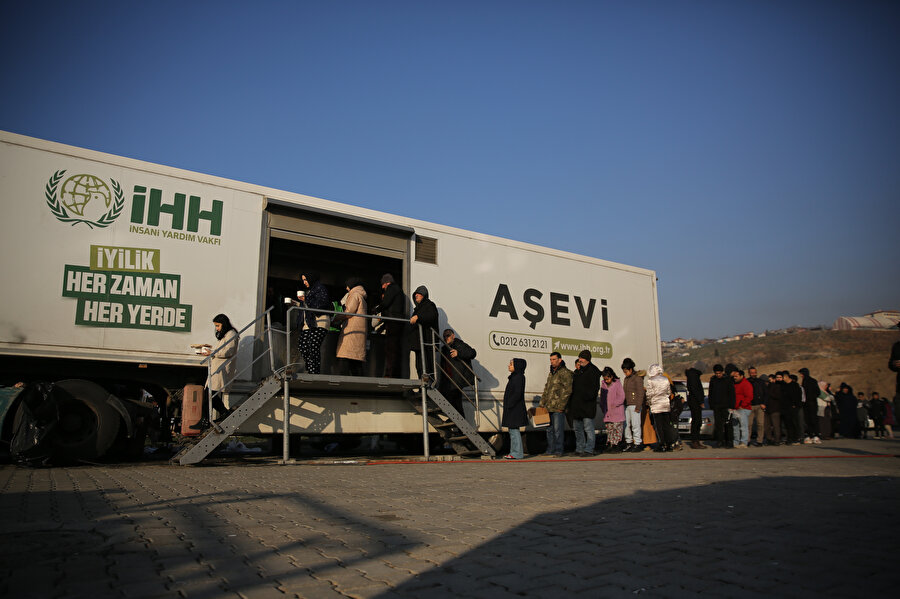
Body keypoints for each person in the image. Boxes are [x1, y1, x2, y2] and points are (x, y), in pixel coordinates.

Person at [191, 314, 239, 430]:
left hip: (221, 369)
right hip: (218, 368)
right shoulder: (227, 335)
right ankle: (210, 419)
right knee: (209, 395)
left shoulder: (231, 334)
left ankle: (220, 415)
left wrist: (212, 353)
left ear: (224, 323)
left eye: (218, 325)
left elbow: (228, 351)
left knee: (210, 395)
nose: (217, 328)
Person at [539, 352, 573, 457]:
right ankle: (550, 449)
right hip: (549, 407)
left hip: (558, 407)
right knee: (549, 429)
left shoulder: (565, 373)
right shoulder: (551, 373)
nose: (552, 361)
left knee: (558, 430)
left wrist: (561, 406)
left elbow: (568, 390)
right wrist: (542, 403)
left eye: (554, 359)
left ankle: (559, 450)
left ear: (560, 360)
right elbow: (547, 388)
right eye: (551, 359)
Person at [568, 350, 601, 457]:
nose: (580, 360)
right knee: (577, 429)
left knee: (588, 429)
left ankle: (589, 449)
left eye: (581, 358)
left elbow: (594, 390)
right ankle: (579, 448)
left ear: (587, 359)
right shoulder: (578, 372)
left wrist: (586, 397)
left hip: (587, 406)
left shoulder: (593, 371)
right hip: (577, 406)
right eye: (579, 358)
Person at [297, 271, 331, 375]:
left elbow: (321, 304)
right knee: (303, 345)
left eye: (305, 279)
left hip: (320, 321)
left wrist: (305, 299)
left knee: (313, 346)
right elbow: (308, 306)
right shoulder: (310, 291)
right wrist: (297, 303)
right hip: (309, 322)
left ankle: (314, 371)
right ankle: (311, 368)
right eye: (303, 280)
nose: (304, 282)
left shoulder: (320, 289)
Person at [372, 274, 406, 378]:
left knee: (390, 349)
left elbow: (386, 303)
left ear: (387, 282)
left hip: (393, 322)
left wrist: (375, 310)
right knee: (395, 349)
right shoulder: (398, 290)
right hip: (396, 322)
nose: (382, 287)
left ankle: (389, 375)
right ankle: (395, 374)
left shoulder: (391, 288)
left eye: (383, 284)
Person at [334, 278, 368, 376]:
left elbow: (349, 312)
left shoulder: (354, 295)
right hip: (358, 331)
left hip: (351, 330)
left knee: (344, 357)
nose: (346, 288)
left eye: (347, 285)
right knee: (356, 360)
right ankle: (359, 386)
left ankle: (342, 385)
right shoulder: (361, 296)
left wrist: (336, 318)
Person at [439, 329, 477, 415]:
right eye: (444, 336)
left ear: (453, 336)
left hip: (456, 379)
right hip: (448, 379)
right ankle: (453, 420)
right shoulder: (444, 348)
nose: (446, 338)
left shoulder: (459, 344)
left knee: (456, 402)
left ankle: (460, 425)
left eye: (448, 335)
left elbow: (473, 353)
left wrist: (458, 353)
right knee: (450, 401)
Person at [407, 286, 439, 380]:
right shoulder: (418, 308)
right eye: (415, 294)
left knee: (427, 366)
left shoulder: (429, 305)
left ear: (424, 295)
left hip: (426, 342)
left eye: (418, 293)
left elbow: (432, 316)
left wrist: (418, 317)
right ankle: (422, 388)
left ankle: (428, 387)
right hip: (419, 344)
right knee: (419, 366)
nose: (416, 295)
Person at [644, 364, 677, 452]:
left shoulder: (651, 381)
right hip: (665, 405)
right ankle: (669, 444)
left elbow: (649, 394)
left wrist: (649, 402)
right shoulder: (665, 379)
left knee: (659, 426)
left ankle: (662, 444)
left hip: (656, 406)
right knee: (666, 425)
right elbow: (669, 392)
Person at [501, 358, 528, 459]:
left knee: (514, 431)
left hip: (514, 409)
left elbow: (517, 393)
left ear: (517, 366)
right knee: (512, 430)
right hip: (513, 408)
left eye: (511, 364)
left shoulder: (519, 377)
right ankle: (514, 452)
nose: (509, 365)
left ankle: (517, 453)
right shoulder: (514, 376)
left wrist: (509, 404)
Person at [621, 357, 645, 452]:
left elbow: (640, 393)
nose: (625, 373)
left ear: (631, 369)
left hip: (635, 405)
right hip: (627, 404)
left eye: (626, 371)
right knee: (626, 424)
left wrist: (638, 406)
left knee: (635, 425)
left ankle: (637, 442)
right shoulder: (626, 379)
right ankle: (628, 441)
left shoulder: (637, 378)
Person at [708, 364, 735, 448]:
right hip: (716, 406)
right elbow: (711, 393)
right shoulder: (713, 380)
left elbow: (731, 393)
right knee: (718, 425)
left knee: (728, 424)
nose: (718, 375)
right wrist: (711, 404)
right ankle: (720, 441)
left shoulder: (727, 380)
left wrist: (731, 406)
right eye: (716, 373)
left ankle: (729, 441)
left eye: (719, 373)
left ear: (722, 372)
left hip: (726, 406)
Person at [601, 367, 626, 452]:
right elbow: (602, 398)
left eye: (607, 379)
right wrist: (603, 406)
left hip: (616, 411)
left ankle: (617, 444)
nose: (606, 381)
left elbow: (621, 396)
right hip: (607, 412)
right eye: (605, 379)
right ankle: (611, 444)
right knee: (610, 429)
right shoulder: (603, 384)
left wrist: (614, 404)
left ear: (611, 377)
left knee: (617, 429)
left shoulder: (617, 383)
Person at [731, 369, 753, 448]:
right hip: (735, 409)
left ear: (741, 376)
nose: (735, 378)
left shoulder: (746, 384)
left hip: (743, 408)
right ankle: (736, 442)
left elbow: (749, 396)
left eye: (736, 376)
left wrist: (742, 405)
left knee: (743, 426)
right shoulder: (734, 384)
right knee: (735, 426)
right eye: (734, 376)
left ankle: (744, 442)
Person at [799, 367, 821, 444]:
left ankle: (816, 435)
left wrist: (811, 397)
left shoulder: (811, 381)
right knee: (808, 420)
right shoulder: (806, 381)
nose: (801, 375)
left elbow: (818, 392)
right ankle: (811, 435)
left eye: (801, 374)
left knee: (812, 419)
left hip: (811, 403)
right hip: (808, 403)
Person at [747, 366, 767, 447]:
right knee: (749, 424)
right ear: (749, 373)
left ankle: (760, 441)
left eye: (754, 372)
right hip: (750, 406)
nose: (753, 374)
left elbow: (766, 394)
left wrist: (764, 403)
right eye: (752, 373)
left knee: (760, 424)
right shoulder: (747, 382)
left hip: (760, 405)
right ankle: (747, 440)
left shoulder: (761, 382)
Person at [783, 372, 803, 445]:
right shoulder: (784, 385)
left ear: (786, 377)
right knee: (788, 424)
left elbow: (798, 396)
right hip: (786, 408)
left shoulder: (795, 385)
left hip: (793, 407)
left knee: (795, 423)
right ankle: (790, 438)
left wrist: (795, 404)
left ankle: (797, 438)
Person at [765, 373, 783, 445]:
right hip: (767, 409)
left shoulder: (776, 387)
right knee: (767, 426)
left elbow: (778, 396)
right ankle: (769, 439)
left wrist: (769, 392)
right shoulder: (765, 388)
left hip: (775, 409)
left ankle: (777, 440)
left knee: (776, 426)